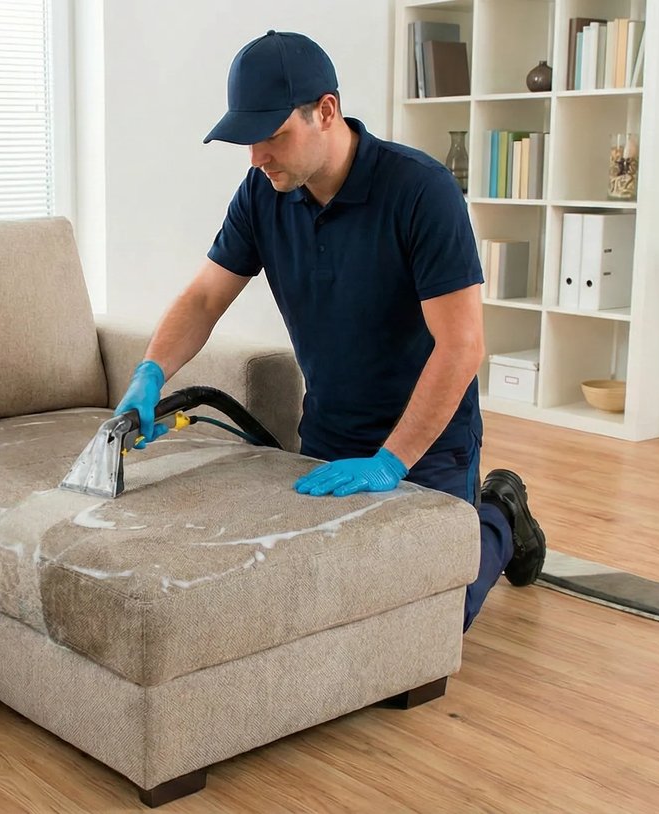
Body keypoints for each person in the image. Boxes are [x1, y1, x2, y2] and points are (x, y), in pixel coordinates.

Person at [114, 30, 546, 630]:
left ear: (326, 111)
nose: (257, 156)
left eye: (273, 136)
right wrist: (150, 373)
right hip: (328, 436)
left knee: (429, 622)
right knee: (329, 611)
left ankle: (499, 508)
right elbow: (206, 296)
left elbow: (463, 344)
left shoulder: (421, 191)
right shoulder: (262, 194)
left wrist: (392, 461)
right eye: (248, 140)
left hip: (426, 444)